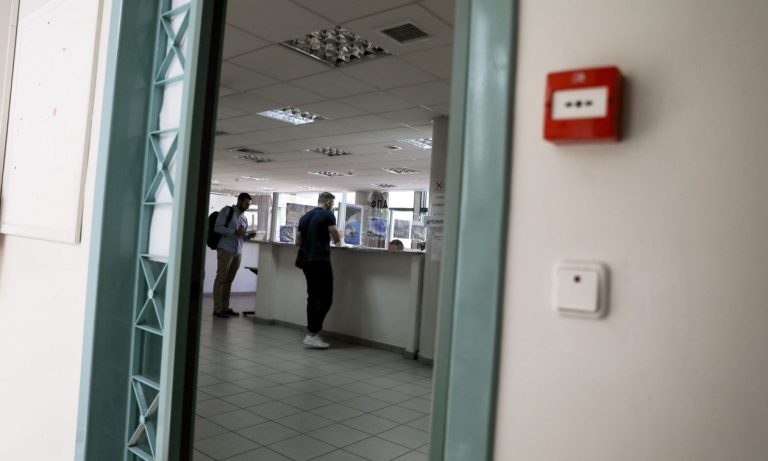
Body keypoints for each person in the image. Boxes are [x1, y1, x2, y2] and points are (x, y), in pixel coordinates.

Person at [296, 192, 342, 348]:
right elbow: (336, 236)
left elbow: (297, 241)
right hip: (320, 260)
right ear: (328, 202)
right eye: (332, 203)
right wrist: (339, 241)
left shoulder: (305, 217)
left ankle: (312, 334)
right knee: (326, 298)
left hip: (306, 262)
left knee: (313, 297)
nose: (332, 206)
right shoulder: (328, 214)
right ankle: (312, 333)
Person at [213, 192, 256, 318]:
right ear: (239, 201)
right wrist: (234, 231)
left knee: (229, 280)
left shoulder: (244, 218)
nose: (247, 206)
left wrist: (248, 236)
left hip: (238, 252)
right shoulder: (227, 211)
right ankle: (217, 309)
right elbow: (217, 228)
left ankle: (225, 308)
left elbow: (240, 236)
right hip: (225, 249)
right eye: (246, 204)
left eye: (249, 204)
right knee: (221, 278)